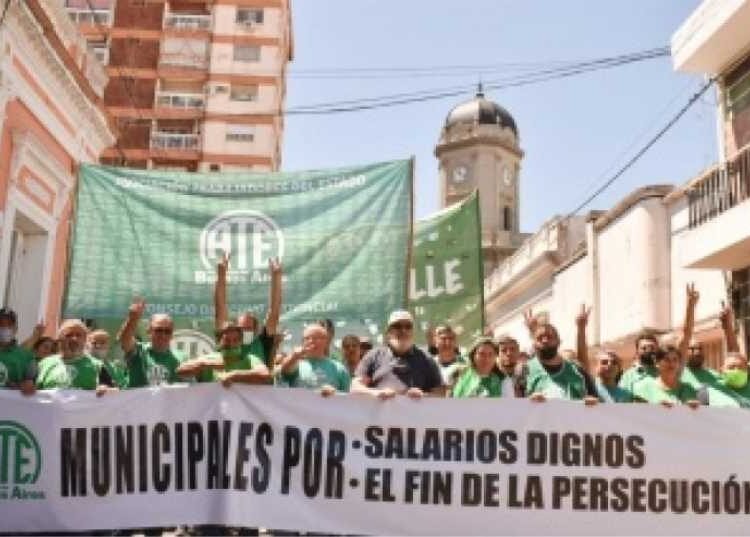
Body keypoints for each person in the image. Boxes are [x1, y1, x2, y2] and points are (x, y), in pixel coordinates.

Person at [351, 310, 445, 400]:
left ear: (413, 332)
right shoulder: (374, 356)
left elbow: (441, 392)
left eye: (408, 327)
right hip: (379, 411)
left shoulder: (426, 359)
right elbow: (355, 387)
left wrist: (423, 396)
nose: (403, 330)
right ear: (388, 332)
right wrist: (376, 393)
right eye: (397, 326)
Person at [214, 253, 281, 367]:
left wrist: (277, 276)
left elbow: (274, 312)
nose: (244, 331)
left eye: (248, 328)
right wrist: (221, 274)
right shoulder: (227, 341)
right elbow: (220, 307)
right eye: (241, 328)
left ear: (255, 330)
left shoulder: (262, 343)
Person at [519, 322, 598, 404]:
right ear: (533, 344)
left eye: (549, 337)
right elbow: (515, 405)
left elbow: (596, 401)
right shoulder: (523, 370)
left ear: (559, 341)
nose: (545, 341)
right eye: (540, 338)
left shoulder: (577, 370)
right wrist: (529, 402)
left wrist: (592, 404)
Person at [117, 298, 185, 387]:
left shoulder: (181, 357)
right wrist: (132, 319)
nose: (163, 335)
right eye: (158, 330)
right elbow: (125, 340)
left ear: (172, 334)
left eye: (167, 331)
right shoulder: (139, 351)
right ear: (149, 331)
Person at [178, 323, 271, 387]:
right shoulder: (210, 358)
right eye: (226, 340)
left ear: (241, 342)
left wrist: (234, 376)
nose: (231, 344)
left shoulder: (249, 359)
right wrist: (205, 364)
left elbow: (265, 375)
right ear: (219, 342)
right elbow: (181, 372)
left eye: (235, 340)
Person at [36, 320, 117, 394]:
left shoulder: (97, 366)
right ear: (60, 339)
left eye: (78, 335)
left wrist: (106, 390)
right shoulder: (44, 364)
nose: (74, 339)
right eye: (69, 335)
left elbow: (114, 393)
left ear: (84, 340)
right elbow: (32, 392)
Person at [278, 324, 350, 396]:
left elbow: (347, 397)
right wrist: (294, 356)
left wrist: (335, 393)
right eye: (307, 338)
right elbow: (284, 370)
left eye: (316, 338)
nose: (311, 341)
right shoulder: (296, 365)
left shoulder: (338, 368)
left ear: (326, 342)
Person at [631, 345, 701, 408]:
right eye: (667, 359)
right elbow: (637, 414)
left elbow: (692, 416)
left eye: (675, 360)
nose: (671, 364)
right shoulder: (644, 387)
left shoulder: (688, 389)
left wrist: (694, 408)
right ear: (657, 363)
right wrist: (655, 408)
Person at [0, 308, 36, 395]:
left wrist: (24, 385)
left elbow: (31, 385)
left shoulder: (28, 356)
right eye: (1, 324)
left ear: (15, 329)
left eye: (9, 325)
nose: (5, 328)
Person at [617, 331, 660, 402]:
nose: (648, 350)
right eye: (644, 348)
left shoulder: (664, 373)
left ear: (657, 350)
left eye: (652, 348)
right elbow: (622, 400)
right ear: (637, 351)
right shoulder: (628, 376)